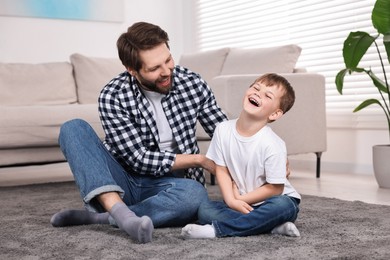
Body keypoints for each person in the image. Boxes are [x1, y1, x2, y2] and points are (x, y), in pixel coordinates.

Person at [50, 21, 228, 243]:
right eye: (154, 68)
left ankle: (107, 216)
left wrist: (262, 153)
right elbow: (137, 159)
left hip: (173, 183)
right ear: (132, 70)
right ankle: (121, 212)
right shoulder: (113, 95)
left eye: (168, 60)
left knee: (195, 195)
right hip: (125, 178)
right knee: (72, 128)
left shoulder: (192, 82)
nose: (167, 72)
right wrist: (199, 160)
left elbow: (223, 131)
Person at [181, 73, 301, 239]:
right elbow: (221, 169)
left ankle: (216, 231)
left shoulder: (273, 144)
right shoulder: (222, 130)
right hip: (240, 204)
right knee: (205, 210)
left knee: (284, 205)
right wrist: (231, 200)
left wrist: (241, 197)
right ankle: (269, 226)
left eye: (267, 95)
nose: (258, 93)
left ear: (274, 114)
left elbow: (276, 188)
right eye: (256, 88)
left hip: (271, 200)